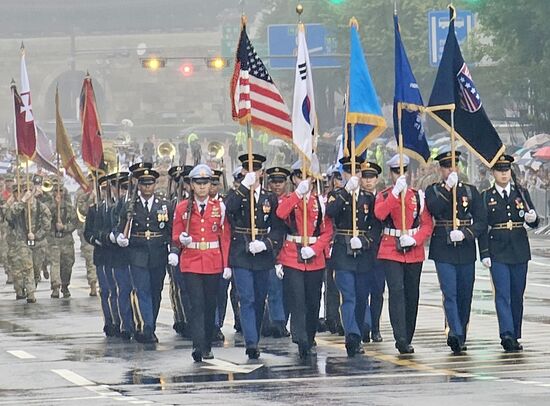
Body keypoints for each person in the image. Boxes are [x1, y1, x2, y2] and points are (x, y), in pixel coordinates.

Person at [425, 150, 487, 354]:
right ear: (440, 169)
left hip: (465, 247)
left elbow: (481, 221)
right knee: (449, 291)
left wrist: (466, 233)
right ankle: (455, 332)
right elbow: (434, 208)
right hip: (443, 247)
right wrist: (447, 187)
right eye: (446, 166)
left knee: (465, 293)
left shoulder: (470, 191)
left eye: (454, 166)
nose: (451, 169)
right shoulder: (433, 190)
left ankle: (462, 331)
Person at [224, 153, 285, 359]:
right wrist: (243, 187)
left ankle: (255, 336)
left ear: (261, 172)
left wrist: (266, 244)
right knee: (247, 297)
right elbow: (228, 208)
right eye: (247, 169)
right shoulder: (236, 194)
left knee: (259, 298)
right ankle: (251, 342)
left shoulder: (269, 197)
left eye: (255, 170)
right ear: (242, 172)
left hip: (262, 253)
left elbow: (278, 227)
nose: (252, 173)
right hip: (241, 251)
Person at [479, 155, 540, 352]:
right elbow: (482, 227)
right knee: (502, 293)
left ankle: (515, 332)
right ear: (493, 172)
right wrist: (484, 253)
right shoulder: (486, 197)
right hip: (498, 249)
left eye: (506, 169)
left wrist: (533, 219)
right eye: (500, 169)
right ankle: (506, 333)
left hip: (519, 248)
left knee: (517, 293)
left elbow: (533, 220)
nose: (504, 173)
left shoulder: (520, 193)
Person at [374, 154, 433, 354]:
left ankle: (408, 335)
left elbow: (426, 225)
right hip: (391, 248)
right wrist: (394, 194)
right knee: (397, 291)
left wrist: (415, 240)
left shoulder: (418, 196)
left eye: (403, 171)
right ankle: (400, 337)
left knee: (411, 293)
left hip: (413, 248)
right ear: (391, 173)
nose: (400, 175)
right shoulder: (384, 195)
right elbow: (380, 214)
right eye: (396, 171)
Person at [172, 164, 231, 362]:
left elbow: (224, 237)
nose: (203, 187)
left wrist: (226, 264)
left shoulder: (219, 207)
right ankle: (198, 345)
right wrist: (182, 239)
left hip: (213, 260)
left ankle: (207, 344)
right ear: (191, 185)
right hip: (192, 260)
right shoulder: (182, 207)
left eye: (206, 183)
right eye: (198, 183)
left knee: (209, 304)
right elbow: (175, 235)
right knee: (196, 304)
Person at [277, 162, 333, 358]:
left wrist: (316, 249)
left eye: (308, 177)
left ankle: (309, 336)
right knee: (297, 298)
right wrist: (297, 195)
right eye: (300, 177)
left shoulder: (320, 202)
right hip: (293, 254)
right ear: (294, 179)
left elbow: (327, 231)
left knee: (313, 299)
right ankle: (300, 337)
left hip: (314, 255)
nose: (304, 181)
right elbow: (281, 213)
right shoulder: (288, 199)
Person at [116, 166, 175, 344]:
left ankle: (151, 323)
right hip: (137, 251)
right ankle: (147, 327)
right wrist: (121, 237)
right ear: (138, 185)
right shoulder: (129, 205)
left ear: (155, 185)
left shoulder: (164, 204)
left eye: (150, 184)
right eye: (143, 184)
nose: (147, 187)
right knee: (143, 291)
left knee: (156, 291)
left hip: (158, 251)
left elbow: (171, 230)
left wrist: (173, 250)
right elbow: (121, 226)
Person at [326, 157, 375, 357]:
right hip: (342, 252)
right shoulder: (336, 195)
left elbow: (376, 226)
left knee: (362, 296)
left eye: (357, 173)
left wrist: (364, 242)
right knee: (348, 296)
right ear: (344, 174)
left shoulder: (368, 198)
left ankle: (362, 326)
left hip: (362, 253)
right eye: (349, 173)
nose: (353, 176)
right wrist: (346, 190)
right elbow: (330, 211)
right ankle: (352, 337)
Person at [3, 183, 51, 303]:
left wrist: (36, 235)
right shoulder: (19, 206)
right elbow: (9, 215)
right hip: (21, 243)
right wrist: (23, 201)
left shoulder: (41, 207)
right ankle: (30, 294)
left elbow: (47, 226)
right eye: (25, 190)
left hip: (38, 243)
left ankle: (32, 285)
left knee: (35, 269)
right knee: (26, 267)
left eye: (30, 190)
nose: (27, 192)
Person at [263, 166, 291, 338]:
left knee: (288, 290)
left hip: (288, 247)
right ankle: (276, 322)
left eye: (280, 182)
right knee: (273, 289)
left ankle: (283, 321)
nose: (277, 185)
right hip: (269, 247)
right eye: (274, 182)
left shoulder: (291, 200)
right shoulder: (264, 200)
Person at [359, 161, 385, 343]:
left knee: (377, 291)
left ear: (377, 179)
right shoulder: (355, 197)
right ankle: (364, 326)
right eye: (365, 177)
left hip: (378, 251)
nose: (368, 181)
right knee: (361, 291)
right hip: (360, 250)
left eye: (371, 177)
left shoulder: (382, 198)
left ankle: (375, 327)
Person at [48, 182, 78, 298]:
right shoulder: (49, 206)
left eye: (61, 191)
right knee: (55, 264)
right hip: (54, 240)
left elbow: (75, 222)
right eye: (56, 191)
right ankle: (55, 287)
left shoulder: (69, 208)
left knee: (67, 264)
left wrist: (64, 227)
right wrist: (55, 206)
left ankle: (65, 285)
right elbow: (45, 220)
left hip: (66, 240)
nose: (58, 193)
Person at [75, 177, 97, 296]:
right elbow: (81, 211)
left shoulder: (105, 192)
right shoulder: (82, 195)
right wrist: (90, 199)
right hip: (88, 231)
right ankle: (93, 284)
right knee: (90, 259)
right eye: (91, 180)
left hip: (103, 231)